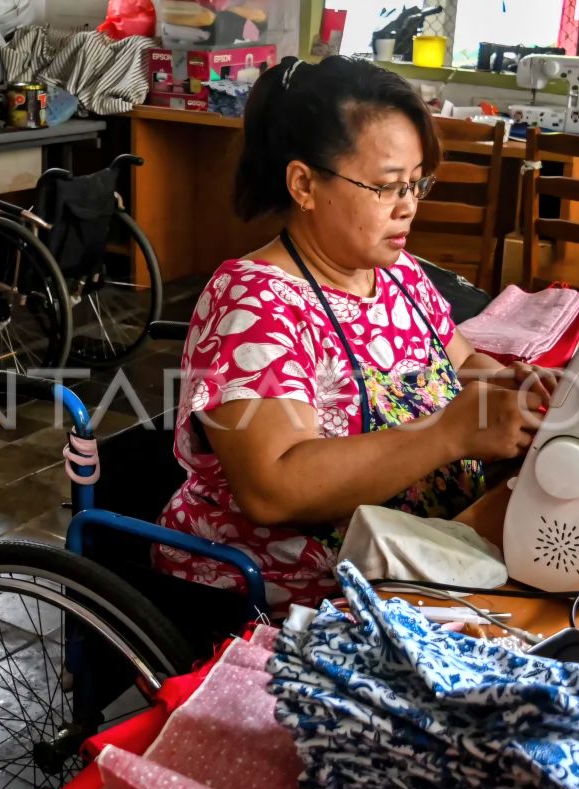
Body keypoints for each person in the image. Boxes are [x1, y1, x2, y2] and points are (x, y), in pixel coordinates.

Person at [156, 56, 557, 609]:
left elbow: (460, 366)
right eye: (389, 187)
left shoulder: (398, 272)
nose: (409, 206)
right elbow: (273, 487)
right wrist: (447, 433)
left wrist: (520, 387)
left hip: (415, 561)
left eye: (417, 184)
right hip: (286, 598)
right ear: (303, 184)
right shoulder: (254, 303)